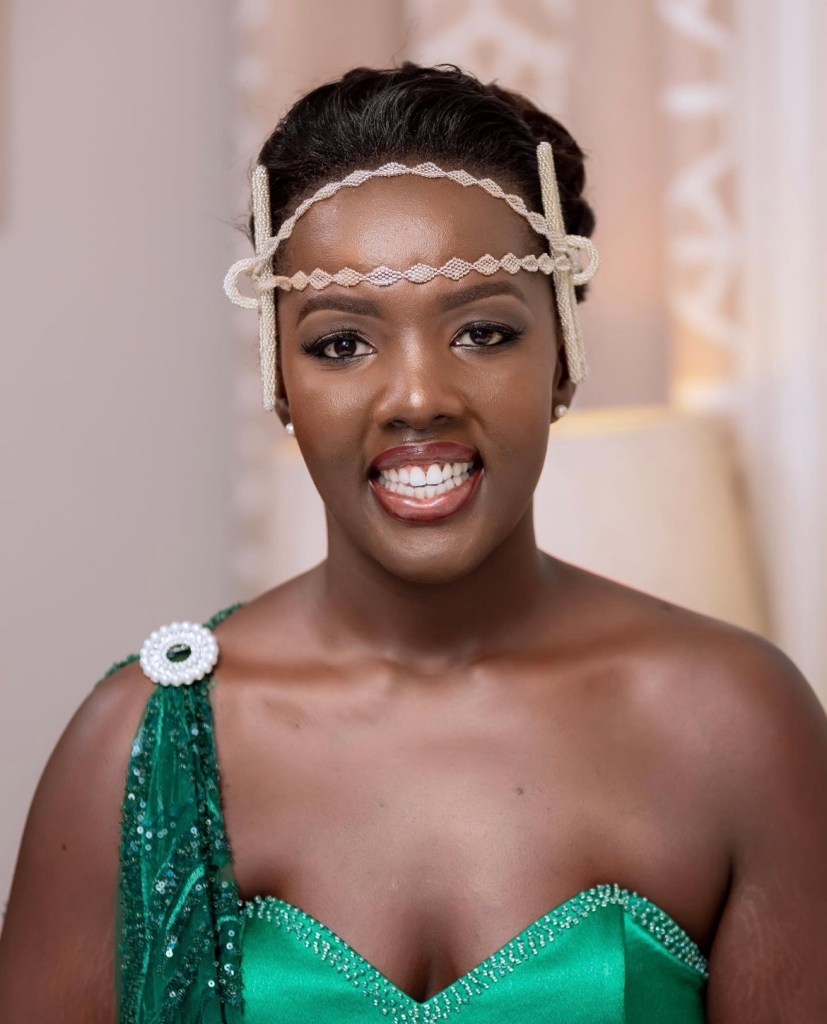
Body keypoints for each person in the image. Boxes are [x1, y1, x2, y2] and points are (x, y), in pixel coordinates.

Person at [1, 62, 825, 1024]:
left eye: (483, 332)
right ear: (280, 382)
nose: (418, 397)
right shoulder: (136, 741)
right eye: (341, 344)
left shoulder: (735, 724)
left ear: (563, 360)